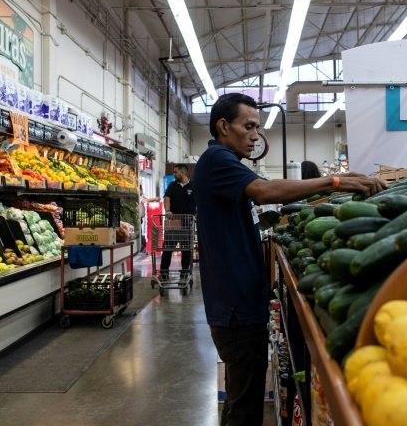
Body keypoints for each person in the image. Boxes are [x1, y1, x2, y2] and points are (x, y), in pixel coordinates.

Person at [193, 93, 385, 426]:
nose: (255, 135)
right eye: (249, 126)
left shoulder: (226, 163)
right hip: (235, 308)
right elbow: (265, 191)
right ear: (224, 126)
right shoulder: (216, 160)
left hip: (239, 304)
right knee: (244, 406)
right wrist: (334, 180)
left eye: (258, 127)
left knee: (243, 399)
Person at [160, 164, 196, 280]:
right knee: (168, 248)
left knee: (186, 250)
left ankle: (184, 273)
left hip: (187, 222)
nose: (174, 174)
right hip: (174, 221)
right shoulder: (172, 185)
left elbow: (199, 201)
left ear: (183, 172)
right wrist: (168, 210)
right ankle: (164, 273)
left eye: (176, 172)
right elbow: (167, 198)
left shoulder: (193, 186)